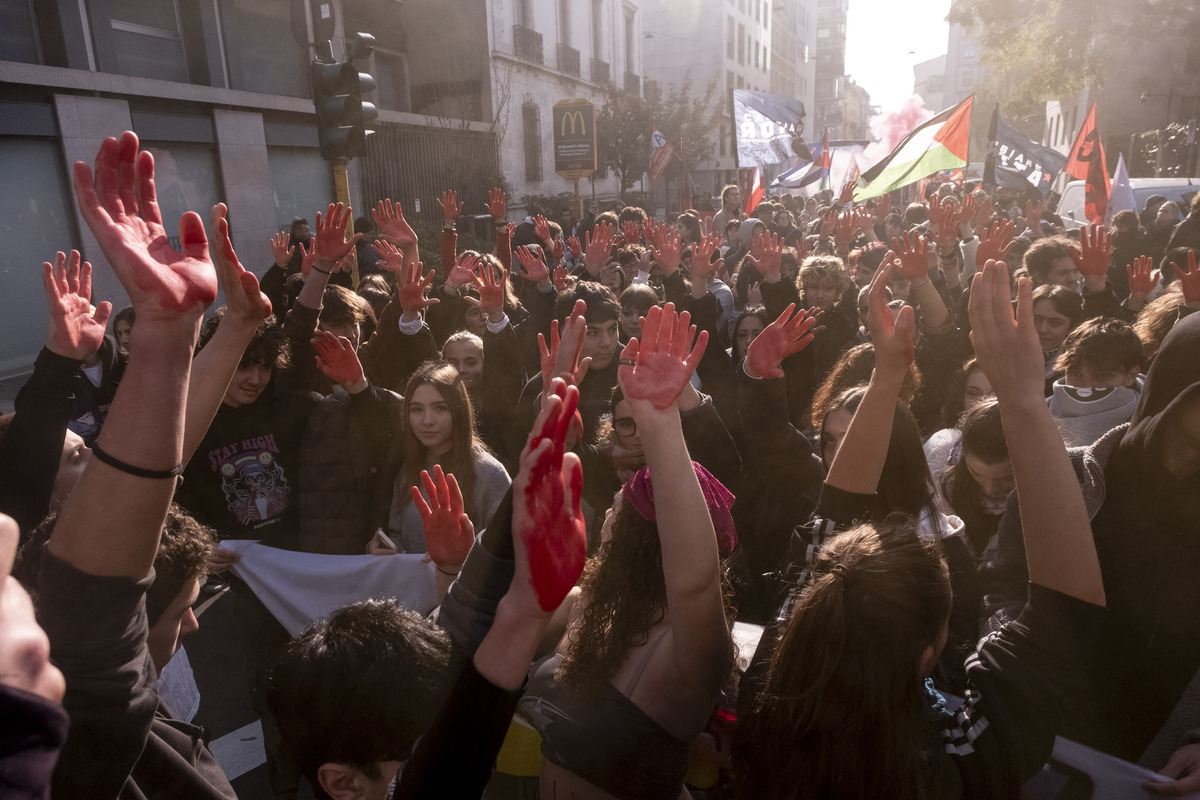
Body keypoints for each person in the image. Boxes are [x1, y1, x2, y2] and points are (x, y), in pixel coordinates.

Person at [733, 259, 1107, 799]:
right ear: (930, 653)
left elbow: (830, 516)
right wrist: (1024, 399)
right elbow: (1065, 617)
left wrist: (886, 379)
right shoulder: (956, 760)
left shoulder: (768, 700)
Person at [35, 129, 238, 798]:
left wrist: (177, 337)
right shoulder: (77, 748)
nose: (194, 622)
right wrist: (160, 340)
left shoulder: (147, 720)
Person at [268, 379, 588, 800]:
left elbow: (469, 674)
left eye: (439, 407)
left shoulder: (486, 472)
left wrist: (474, 574)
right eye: (426, 745)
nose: (465, 750)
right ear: (344, 783)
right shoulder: (405, 470)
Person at [522, 304, 735, 800]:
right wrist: (551, 403)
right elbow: (490, 633)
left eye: (617, 511)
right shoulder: (587, 608)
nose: (607, 516)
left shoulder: (692, 654)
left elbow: (694, 578)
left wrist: (659, 423)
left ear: (648, 540)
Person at [980, 308, 1200, 771]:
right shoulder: (1065, 482)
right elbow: (1003, 587)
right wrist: (1011, 675)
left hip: (1158, 764)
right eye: (1186, 435)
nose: (1187, 461)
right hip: (1035, 742)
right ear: (1163, 397)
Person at [381, 361, 510, 556]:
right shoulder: (408, 469)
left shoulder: (490, 473)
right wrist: (385, 548)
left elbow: (508, 551)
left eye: (440, 408)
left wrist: (456, 558)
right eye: (417, 409)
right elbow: (399, 535)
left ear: (458, 411)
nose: (427, 420)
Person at [1048, 317, 1144, 447]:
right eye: (1075, 374)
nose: (1087, 386)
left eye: (1103, 376)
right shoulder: (1038, 414)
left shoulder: (1148, 422)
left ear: (1131, 375)